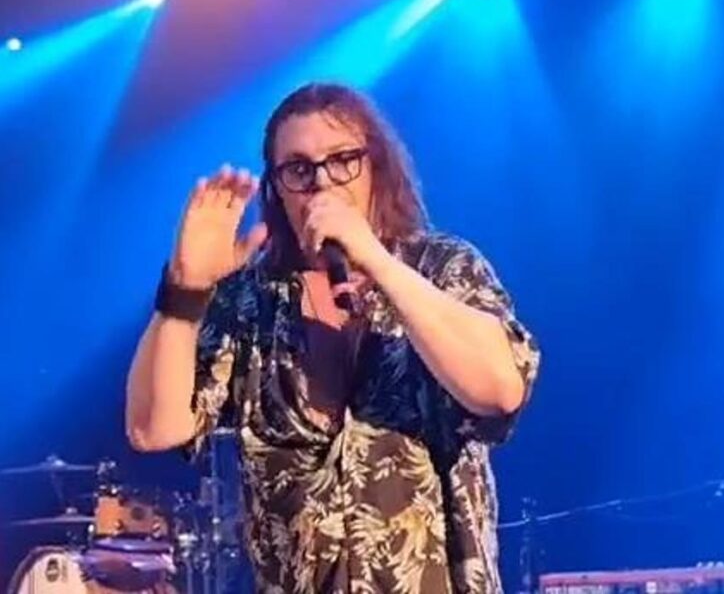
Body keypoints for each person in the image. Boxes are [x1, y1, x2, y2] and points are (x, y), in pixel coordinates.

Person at [125, 83, 540, 593]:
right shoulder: (251, 302)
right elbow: (154, 428)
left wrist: (374, 259)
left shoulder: (442, 269)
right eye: (299, 169)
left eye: (343, 161)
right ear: (277, 189)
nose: (321, 182)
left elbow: (499, 390)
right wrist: (185, 293)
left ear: (376, 168)